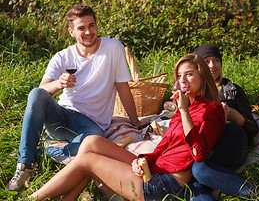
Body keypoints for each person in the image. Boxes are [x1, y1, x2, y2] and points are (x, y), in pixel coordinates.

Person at [27, 54, 225, 201]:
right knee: (91, 142)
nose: (182, 80)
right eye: (179, 75)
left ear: (202, 76)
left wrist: (183, 111)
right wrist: (140, 161)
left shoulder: (212, 111)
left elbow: (199, 154)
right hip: (153, 169)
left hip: (166, 185)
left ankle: (33, 199)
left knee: (87, 160)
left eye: (189, 74)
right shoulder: (184, 109)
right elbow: (162, 148)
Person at [6, 4, 145, 192]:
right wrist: (58, 83)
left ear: (97, 26)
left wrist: (136, 122)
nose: (88, 32)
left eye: (92, 25)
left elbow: (123, 87)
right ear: (72, 32)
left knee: (93, 149)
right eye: (81, 28)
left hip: (91, 124)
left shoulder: (113, 48)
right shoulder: (62, 57)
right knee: (36, 93)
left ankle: (41, 152)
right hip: (61, 115)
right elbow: (41, 90)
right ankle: (24, 165)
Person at [190, 44, 259, 200]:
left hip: (231, 137)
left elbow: (254, 128)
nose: (213, 66)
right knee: (192, 184)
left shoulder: (233, 91)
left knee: (200, 170)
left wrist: (238, 118)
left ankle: (254, 192)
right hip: (204, 141)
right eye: (207, 61)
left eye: (216, 60)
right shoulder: (192, 91)